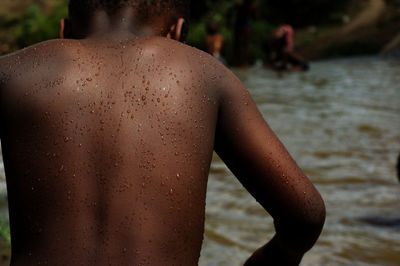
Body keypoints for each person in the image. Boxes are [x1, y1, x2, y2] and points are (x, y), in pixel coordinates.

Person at [0, 0, 325, 265]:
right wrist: (278, 257)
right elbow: (305, 215)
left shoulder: (10, 71)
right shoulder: (205, 73)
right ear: (178, 31)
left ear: (63, 30)